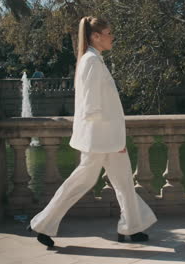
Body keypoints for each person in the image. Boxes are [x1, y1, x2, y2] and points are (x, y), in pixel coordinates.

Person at [26, 16, 157, 248]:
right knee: (81, 183)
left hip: (107, 139)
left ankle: (132, 227)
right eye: (108, 32)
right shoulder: (92, 62)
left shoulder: (95, 60)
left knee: (124, 182)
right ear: (95, 37)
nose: (112, 36)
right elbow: (91, 107)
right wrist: (112, 141)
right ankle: (43, 224)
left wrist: (115, 138)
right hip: (102, 140)